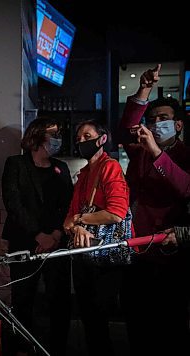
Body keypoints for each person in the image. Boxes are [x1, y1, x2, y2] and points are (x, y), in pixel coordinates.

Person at [118, 64, 190, 356]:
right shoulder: (139, 151)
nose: (156, 123)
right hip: (137, 248)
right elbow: (126, 128)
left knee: (169, 324)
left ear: (178, 125)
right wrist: (143, 89)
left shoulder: (185, 154)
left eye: (164, 118)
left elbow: (186, 188)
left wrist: (159, 154)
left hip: (170, 249)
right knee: (137, 322)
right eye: (153, 118)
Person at [2, 118, 73, 356]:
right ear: (37, 136)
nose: (57, 138)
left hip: (57, 244)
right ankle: (23, 347)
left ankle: (57, 347)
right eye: (53, 133)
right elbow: (14, 204)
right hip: (24, 242)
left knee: (59, 299)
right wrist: (38, 235)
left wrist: (55, 234)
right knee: (23, 299)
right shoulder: (15, 164)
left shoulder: (61, 167)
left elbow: (68, 206)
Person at [63, 120, 130, 356]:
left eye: (87, 136)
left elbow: (116, 212)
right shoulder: (83, 174)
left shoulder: (109, 167)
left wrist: (80, 221)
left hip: (105, 258)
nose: (81, 141)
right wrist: (77, 226)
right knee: (88, 317)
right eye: (79, 137)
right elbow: (67, 220)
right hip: (82, 255)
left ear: (102, 139)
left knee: (99, 317)